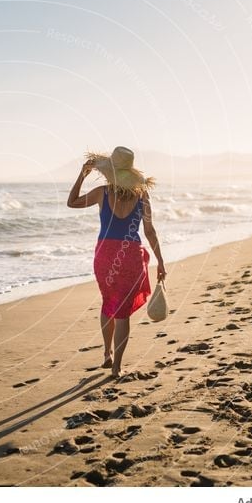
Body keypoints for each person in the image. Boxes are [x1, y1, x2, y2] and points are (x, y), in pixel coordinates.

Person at [67, 146, 166, 378]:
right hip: (130, 254)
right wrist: (160, 260)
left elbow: (72, 202)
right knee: (123, 312)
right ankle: (116, 367)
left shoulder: (101, 193)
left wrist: (82, 175)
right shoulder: (142, 196)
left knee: (108, 302)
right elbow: (150, 232)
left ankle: (106, 353)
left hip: (105, 254)